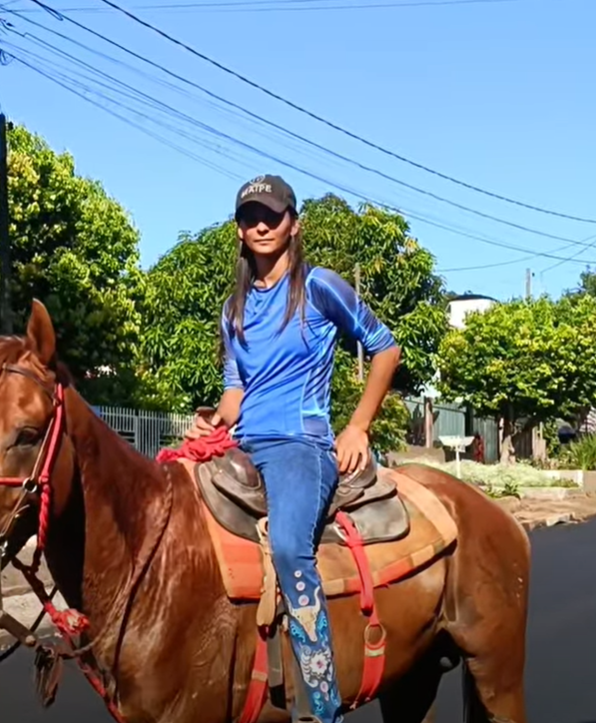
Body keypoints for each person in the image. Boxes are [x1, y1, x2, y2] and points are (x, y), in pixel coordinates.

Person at [185, 174, 401, 723]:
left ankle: (321, 702)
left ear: (292, 224)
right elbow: (236, 390)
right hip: (242, 442)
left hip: (299, 444)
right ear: (238, 231)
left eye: (272, 215)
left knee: (287, 545)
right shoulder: (232, 309)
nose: (260, 225)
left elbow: (385, 349)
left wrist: (358, 428)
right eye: (249, 217)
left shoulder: (320, 286)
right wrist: (211, 422)